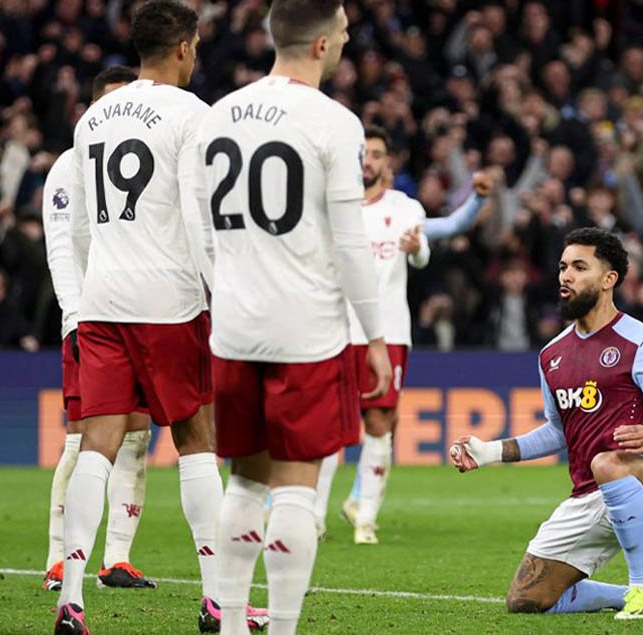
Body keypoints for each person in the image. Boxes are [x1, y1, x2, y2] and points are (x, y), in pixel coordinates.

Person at [53, 3, 265, 633]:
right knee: (197, 440)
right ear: (182, 48)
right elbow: (201, 219)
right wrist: (225, 293)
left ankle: (70, 598)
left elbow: (82, 226)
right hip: (169, 302)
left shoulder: (91, 120)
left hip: (102, 301)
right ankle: (218, 599)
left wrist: (88, 296)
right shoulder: (192, 114)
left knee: (97, 444)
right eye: (195, 45)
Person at [194, 1, 391, 633]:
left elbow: (201, 230)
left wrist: (227, 290)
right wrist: (376, 336)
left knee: (245, 483)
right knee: (297, 488)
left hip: (234, 328)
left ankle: (230, 624)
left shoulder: (218, 115)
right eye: (344, 32)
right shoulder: (334, 121)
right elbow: (351, 242)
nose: (348, 39)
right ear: (321, 44)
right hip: (305, 329)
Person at [449, 228, 643, 620]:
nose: (566, 276)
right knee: (526, 599)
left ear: (608, 279)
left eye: (579, 267)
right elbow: (557, 432)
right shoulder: (552, 354)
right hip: (589, 493)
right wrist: (489, 451)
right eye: (563, 267)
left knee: (607, 462)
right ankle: (625, 594)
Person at [312, 127, 494, 545]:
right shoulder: (331, 207)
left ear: (387, 162)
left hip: (387, 331)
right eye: (363, 154)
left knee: (380, 423)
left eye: (376, 154)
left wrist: (424, 244)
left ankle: (365, 520)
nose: (368, 161)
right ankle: (313, 519)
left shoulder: (404, 207)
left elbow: (432, 241)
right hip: (335, 330)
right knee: (325, 428)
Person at [40, 65, 161, 594]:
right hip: (91, 319)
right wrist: (75, 315)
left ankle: (117, 559)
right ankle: (56, 559)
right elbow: (60, 249)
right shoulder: (70, 166)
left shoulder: (141, 158)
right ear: (91, 109)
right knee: (82, 439)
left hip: (139, 315)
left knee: (136, 435)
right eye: (112, 102)